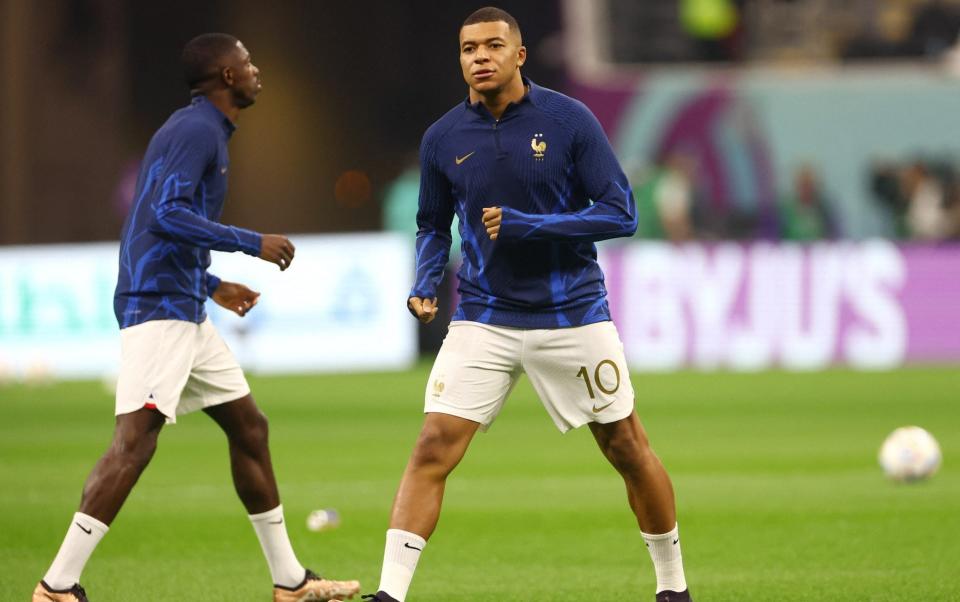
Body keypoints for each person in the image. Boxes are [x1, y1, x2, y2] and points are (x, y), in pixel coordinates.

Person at [360, 8, 691, 602]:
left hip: (573, 315)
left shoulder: (568, 121)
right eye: (467, 48)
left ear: (520, 55)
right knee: (432, 445)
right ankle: (389, 595)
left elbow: (622, 211)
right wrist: (426, 281)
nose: (479, 57)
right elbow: (432, 225)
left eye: (492, 46)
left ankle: (673, 588)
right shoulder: (443, 137)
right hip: (484, 316)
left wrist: (529, 227)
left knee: (626, 448)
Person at [32, 33, 360, 602]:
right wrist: (249, 242)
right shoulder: (196, 130)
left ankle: (290, 582)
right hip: (160, 310)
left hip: (180, 302)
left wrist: (209, 285)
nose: (257, 70)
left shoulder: (200, 130)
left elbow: (150, 220)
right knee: (134, 444)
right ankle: (57, 586)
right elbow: (164, 215)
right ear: (226, 77)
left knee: (249, 428)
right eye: (248, 62)